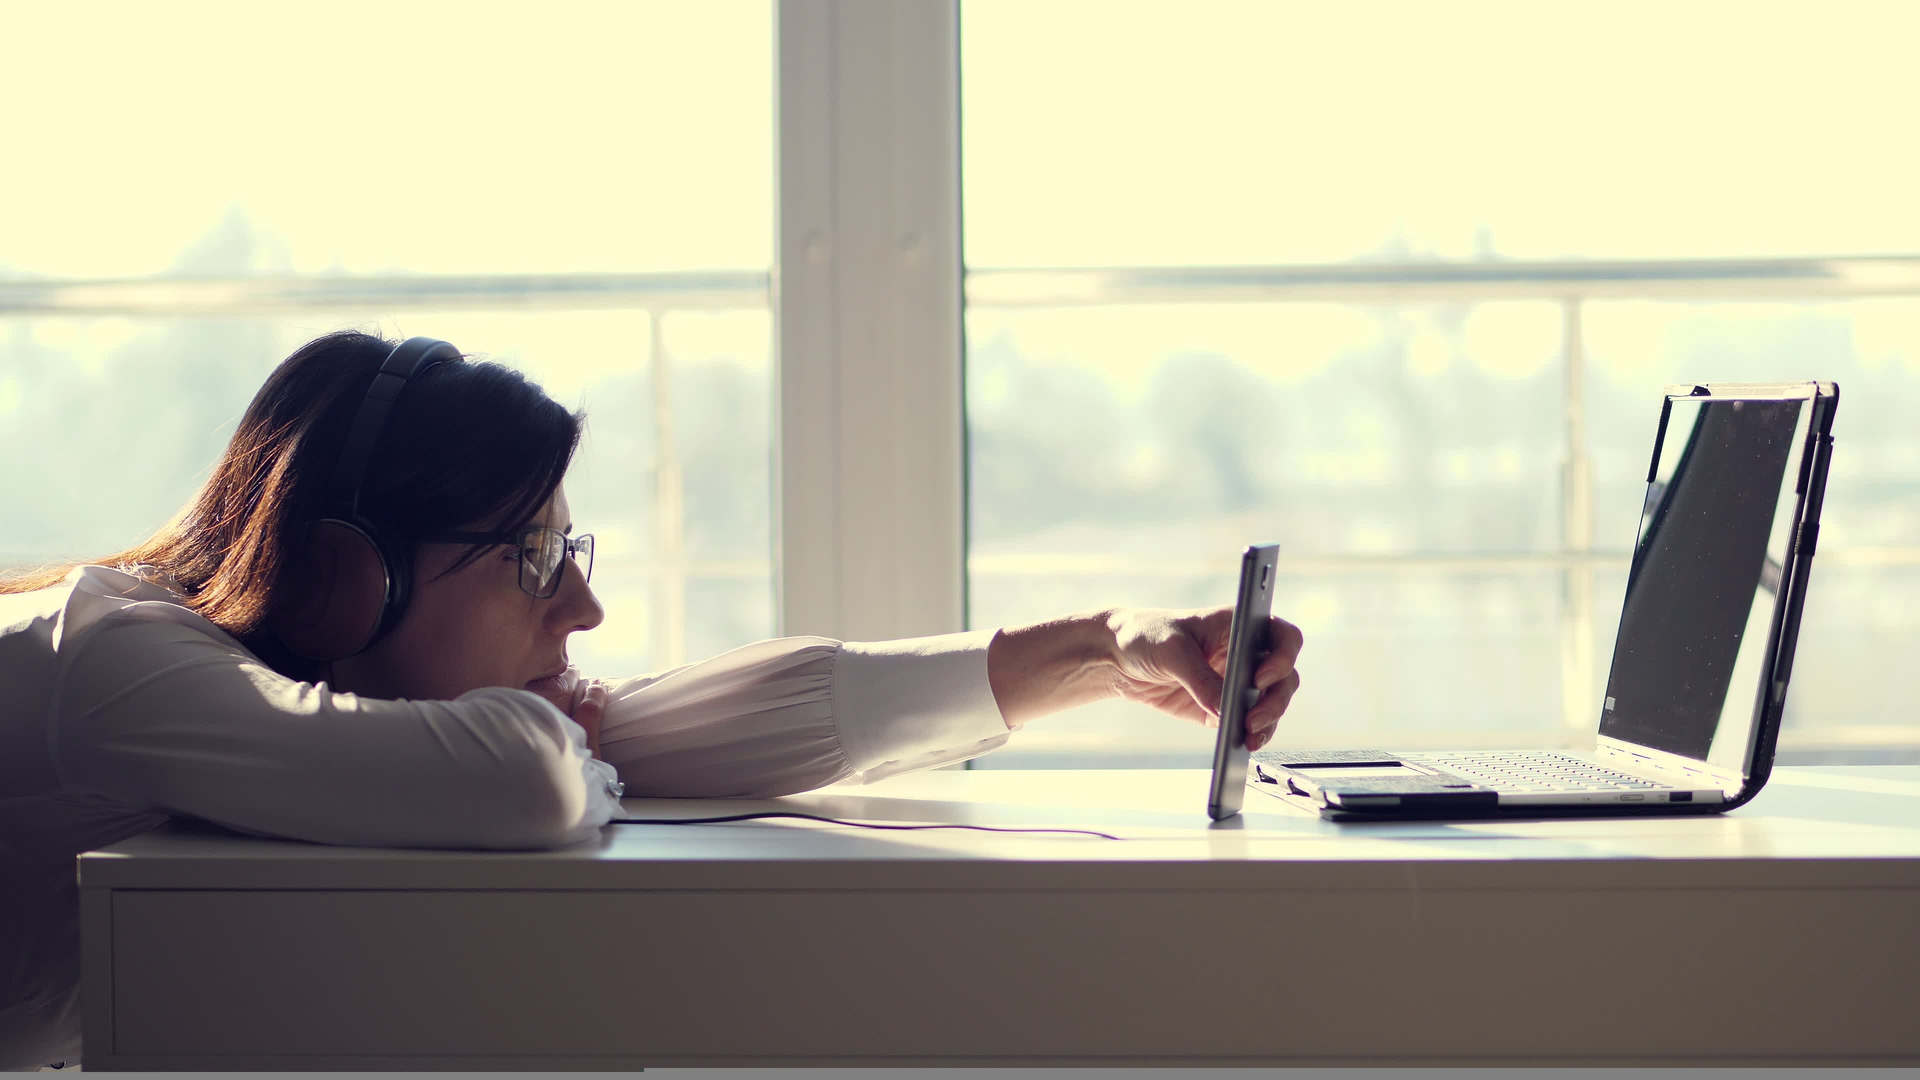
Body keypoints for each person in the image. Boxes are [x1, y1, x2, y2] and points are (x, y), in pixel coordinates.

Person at [0, 330, 1303, 1068]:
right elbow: (520, 777)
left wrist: (1102, 650)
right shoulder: (114, 657)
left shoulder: (303, 698)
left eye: (573, 555)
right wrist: (565, 739)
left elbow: (645, 735)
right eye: (527, 562)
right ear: (352, 579)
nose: (581, 611)